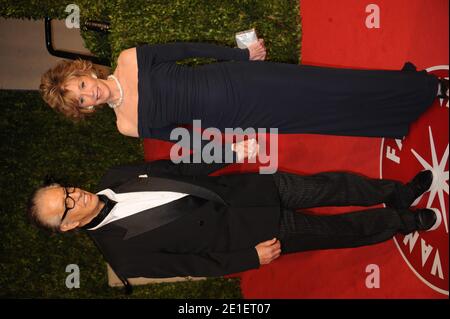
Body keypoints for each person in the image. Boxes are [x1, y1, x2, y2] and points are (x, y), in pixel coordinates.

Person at [28, 156, 440, 289]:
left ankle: (395, 194)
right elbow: (194, 266)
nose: (74, 195)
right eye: (65, 205)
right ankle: (402, 221)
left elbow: (179, 166)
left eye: (65, 189)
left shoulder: (111, 177)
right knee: (338, 233)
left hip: (250, 191)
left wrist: (228, 153)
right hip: (256, 235)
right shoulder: (124, 257)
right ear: (67, 226)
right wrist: (249, 258)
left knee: (334, 186)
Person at [39, 41, 449, 144]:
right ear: (85, 109)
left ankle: (424, 87)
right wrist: (233, 150)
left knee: (329, 84)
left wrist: (240, 54)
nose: (88, 93)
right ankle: (391, 117)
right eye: (80, 100)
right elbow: (188, 138)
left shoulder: (130, 59)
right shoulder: (126, 126)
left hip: (239, 81)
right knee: (317, 118)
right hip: (238, 119)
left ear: (83, 71)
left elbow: (188, 50)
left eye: (80, 85)